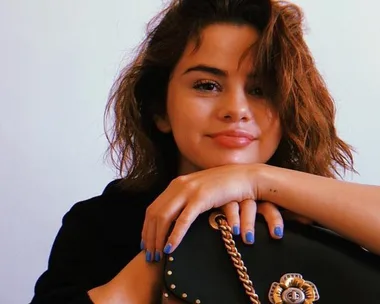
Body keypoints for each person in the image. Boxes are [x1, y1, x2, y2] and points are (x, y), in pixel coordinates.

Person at [30, 0, 380, 303]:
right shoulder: (101, 223)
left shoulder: (321, 216)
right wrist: (179, 252)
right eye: (207, 85)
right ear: (159, 110)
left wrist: (255, 179)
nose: (236, 109)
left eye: (261, 89)